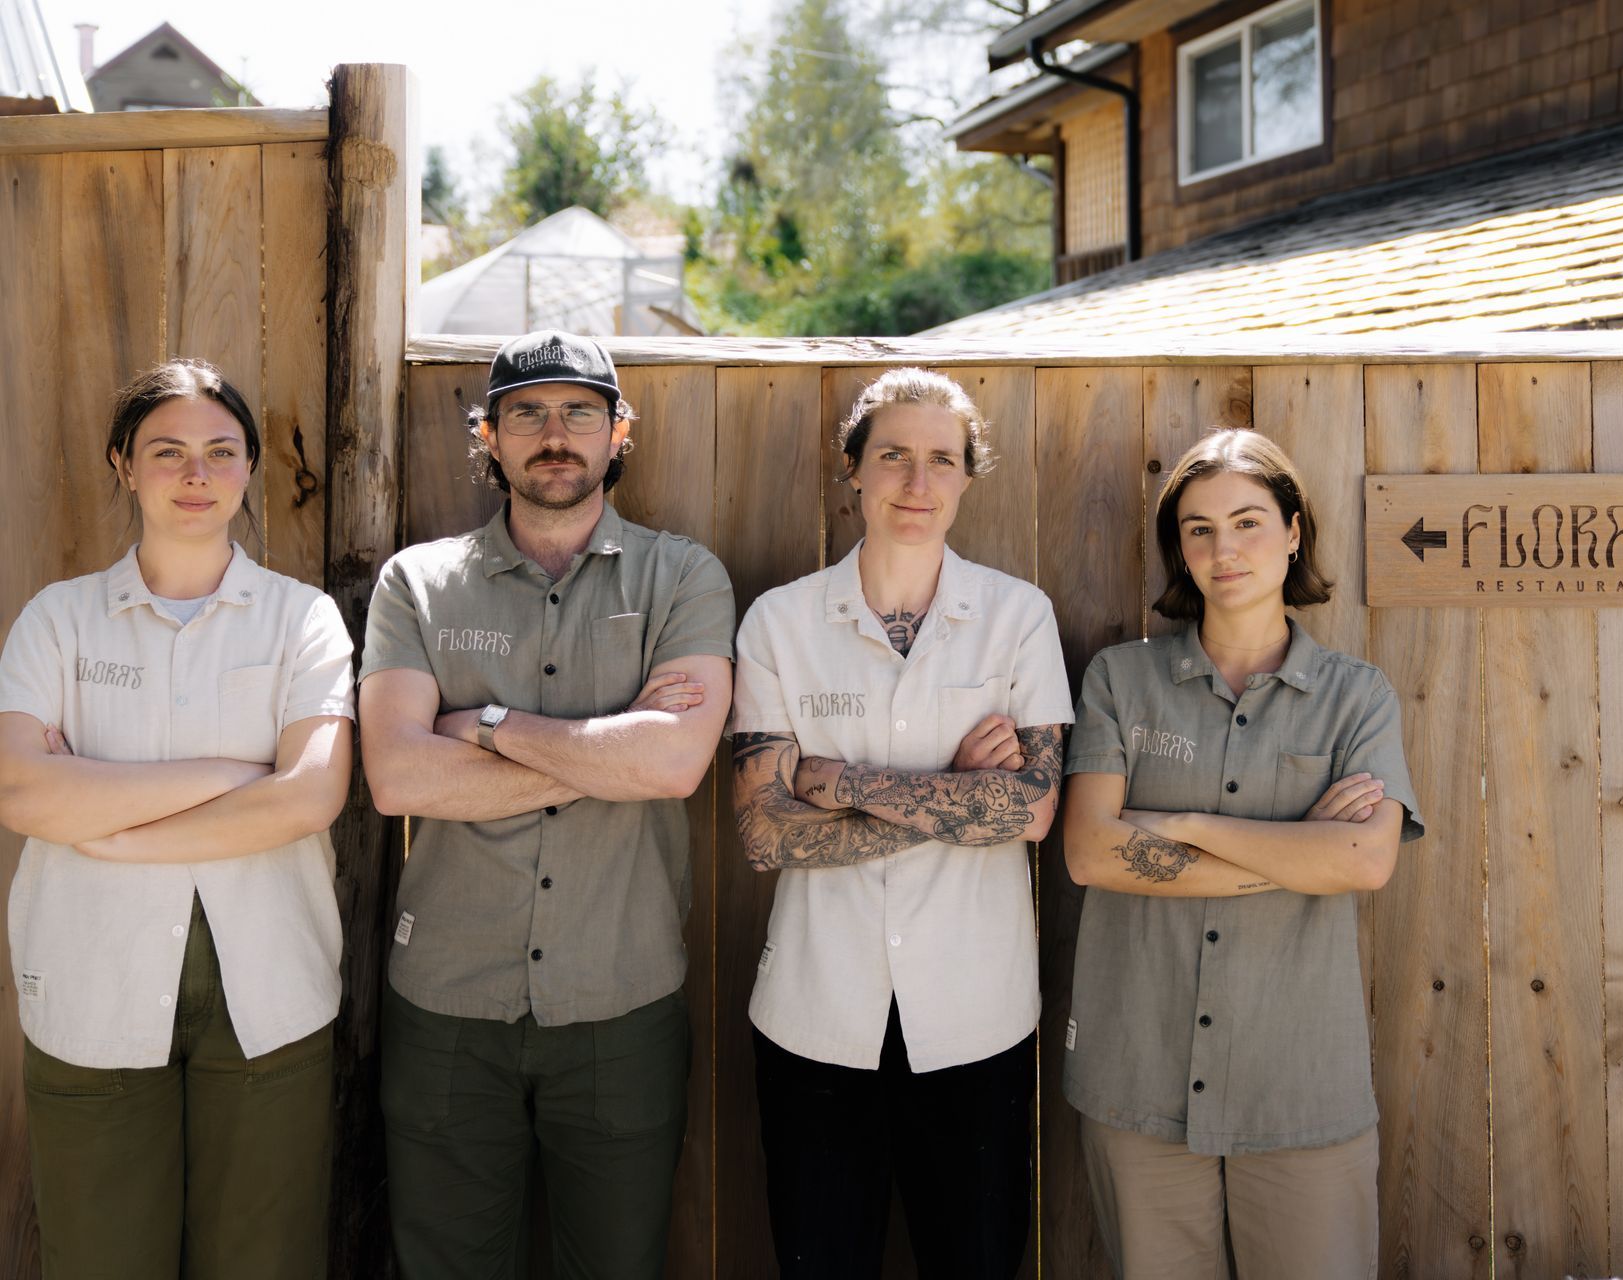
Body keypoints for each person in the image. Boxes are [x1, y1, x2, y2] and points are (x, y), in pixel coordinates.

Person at [357, 330, 734, 1279]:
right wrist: (615, 746)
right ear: (488, 434)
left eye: (578, 412)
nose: (553, 435)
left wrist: (481, 724)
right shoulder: (418, 583)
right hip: (446, 999)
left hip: (622, 996)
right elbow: (398, 779)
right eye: (526, 414)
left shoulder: (683, 577)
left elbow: (675, 766)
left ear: (620, 431)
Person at [0, 359, 355, 1279]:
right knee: (101, 1259)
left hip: (270, 991)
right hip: (90, 985)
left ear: (246, 469)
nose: (195, 475)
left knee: (263, 1259)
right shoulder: (58, 621)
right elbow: (22, 793)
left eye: (220, 452)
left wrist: (111, 824)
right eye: (167, 451)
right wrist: (234, 775)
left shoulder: (303, 621)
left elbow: (312, 795)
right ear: (123, 464)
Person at [729, 368, 1074, 1279]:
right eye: (893, 457)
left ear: (967, 477)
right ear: (853, 471)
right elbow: (765, 835)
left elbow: (1033, 810)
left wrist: (842, 781)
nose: (917, 483)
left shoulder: (1016, 618)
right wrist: (958, 797)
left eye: (941, 461)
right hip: (814, 1014)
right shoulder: (780, 623)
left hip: (977, 1020)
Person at [1060, 428, 1425, 1279]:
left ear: (1294, 531)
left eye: (1249, 521)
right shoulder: (1120, 680)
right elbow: (1089, 852)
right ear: (1177, 548)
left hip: (1299, 1088)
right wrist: (1303, 850)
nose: (1224, 549)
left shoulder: (1355, 695)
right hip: (1137, 1081)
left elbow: (1367, 862)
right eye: (1198, 529)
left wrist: (1183, 824)